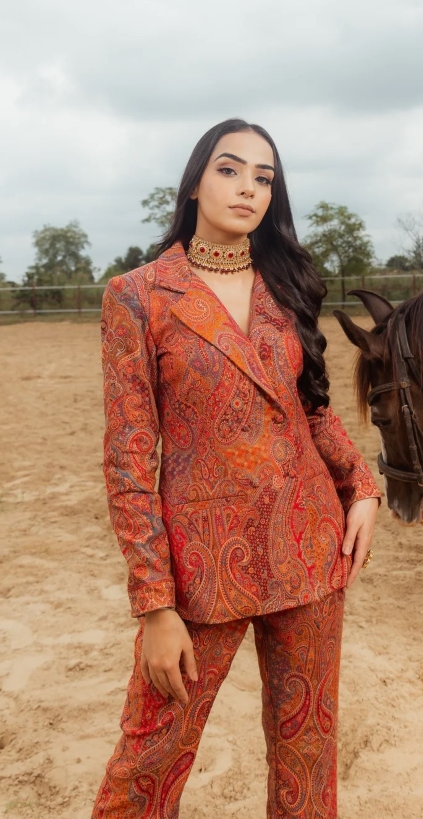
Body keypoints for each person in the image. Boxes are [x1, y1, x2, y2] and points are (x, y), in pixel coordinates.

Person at [92, 118, 381, 819]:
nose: (247, 187)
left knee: (307, 757)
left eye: (264, 177)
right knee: (149, 761)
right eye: (229, 169)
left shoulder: (287, 286)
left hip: (310, 548)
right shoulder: (138, 294)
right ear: (195, 181)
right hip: (199, 571)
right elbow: (129, 457)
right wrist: (155, 606)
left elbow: (312, 409)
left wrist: (361, 485)